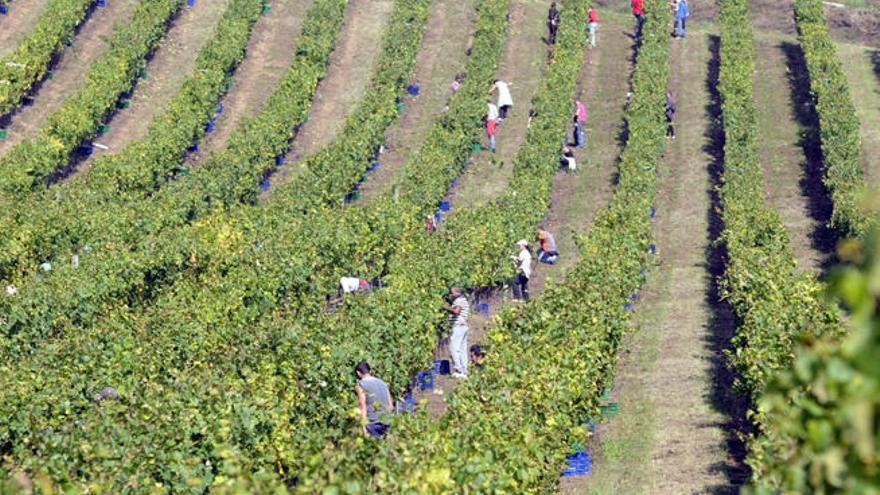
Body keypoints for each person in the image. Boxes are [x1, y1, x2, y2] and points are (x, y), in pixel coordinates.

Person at [354, 362, 394, 438]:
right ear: (370, 371)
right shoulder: (383, 383)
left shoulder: (360, 385)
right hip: (387, 422)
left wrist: (364, 429)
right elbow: (391, 407)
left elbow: (362, 406)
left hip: (372, 424)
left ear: (358, 373)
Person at [443, 287, 470, 378]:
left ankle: (458, 370)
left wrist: (445, 307)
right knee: (462, 350)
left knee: (454, 348)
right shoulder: (463, 299)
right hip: (463, 326)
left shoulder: (459, 300)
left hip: (458, 327)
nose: (450, 295)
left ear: (456, 293)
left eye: (451, 293)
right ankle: (464, 372)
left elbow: (456, 311)